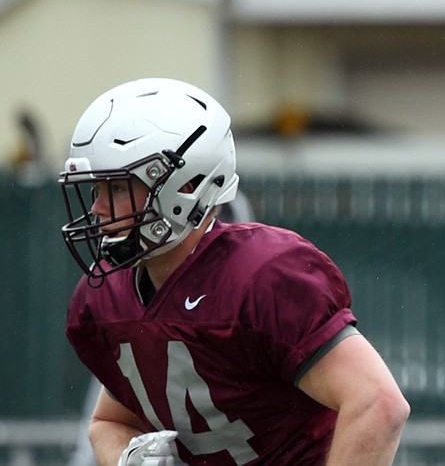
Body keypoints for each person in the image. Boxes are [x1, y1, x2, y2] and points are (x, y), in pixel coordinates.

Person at [59, 77, 410, 466]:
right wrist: (131, 460)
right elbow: (108, 421)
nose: (97, 209)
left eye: (118, 188)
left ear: (185, 184)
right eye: (96, 190)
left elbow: (378, 404)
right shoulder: (110, 295)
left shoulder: (261, 277)